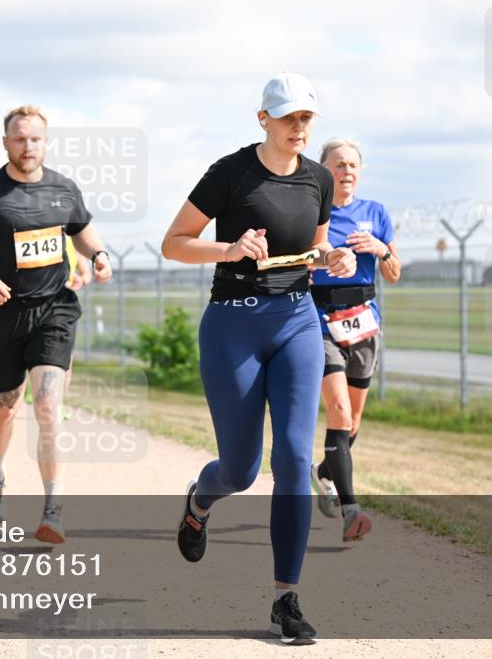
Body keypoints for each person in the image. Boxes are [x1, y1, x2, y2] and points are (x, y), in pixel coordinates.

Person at [160, 73, 356, 645]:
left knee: (293, 458)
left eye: (306, 118)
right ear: (263, 118)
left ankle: (284, 599)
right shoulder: (230, 173)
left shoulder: (318, 178)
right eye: (288, 117)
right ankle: (200, 502)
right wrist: (230, 248)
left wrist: (333, 258)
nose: (298, 127)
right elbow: (174, 243)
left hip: (297, 321)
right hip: (234, 324)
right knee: (241, 470)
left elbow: (314, 248)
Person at [0, 105, 112, 544]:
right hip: (2, 315)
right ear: (5, 143)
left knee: (48, 405)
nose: (27, 146)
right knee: (5, 405)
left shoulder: (63, 188)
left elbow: (82, 229)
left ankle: (53, 508)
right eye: (19, 139)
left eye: (35, 139)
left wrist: (98, 254)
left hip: (54, 308)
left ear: (45, 142)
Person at [309, 138, 402, 541]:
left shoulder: (375, 212)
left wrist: (381, 250)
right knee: (340, 413)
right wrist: (321, 260)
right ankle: (351, 512)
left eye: (352, 165)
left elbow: (395, 273)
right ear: (324, 170)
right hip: (321, 320)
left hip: (364, 322)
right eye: (339, 164)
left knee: (353, 423)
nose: (346, 171)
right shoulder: (313, 213)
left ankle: (324, 471)